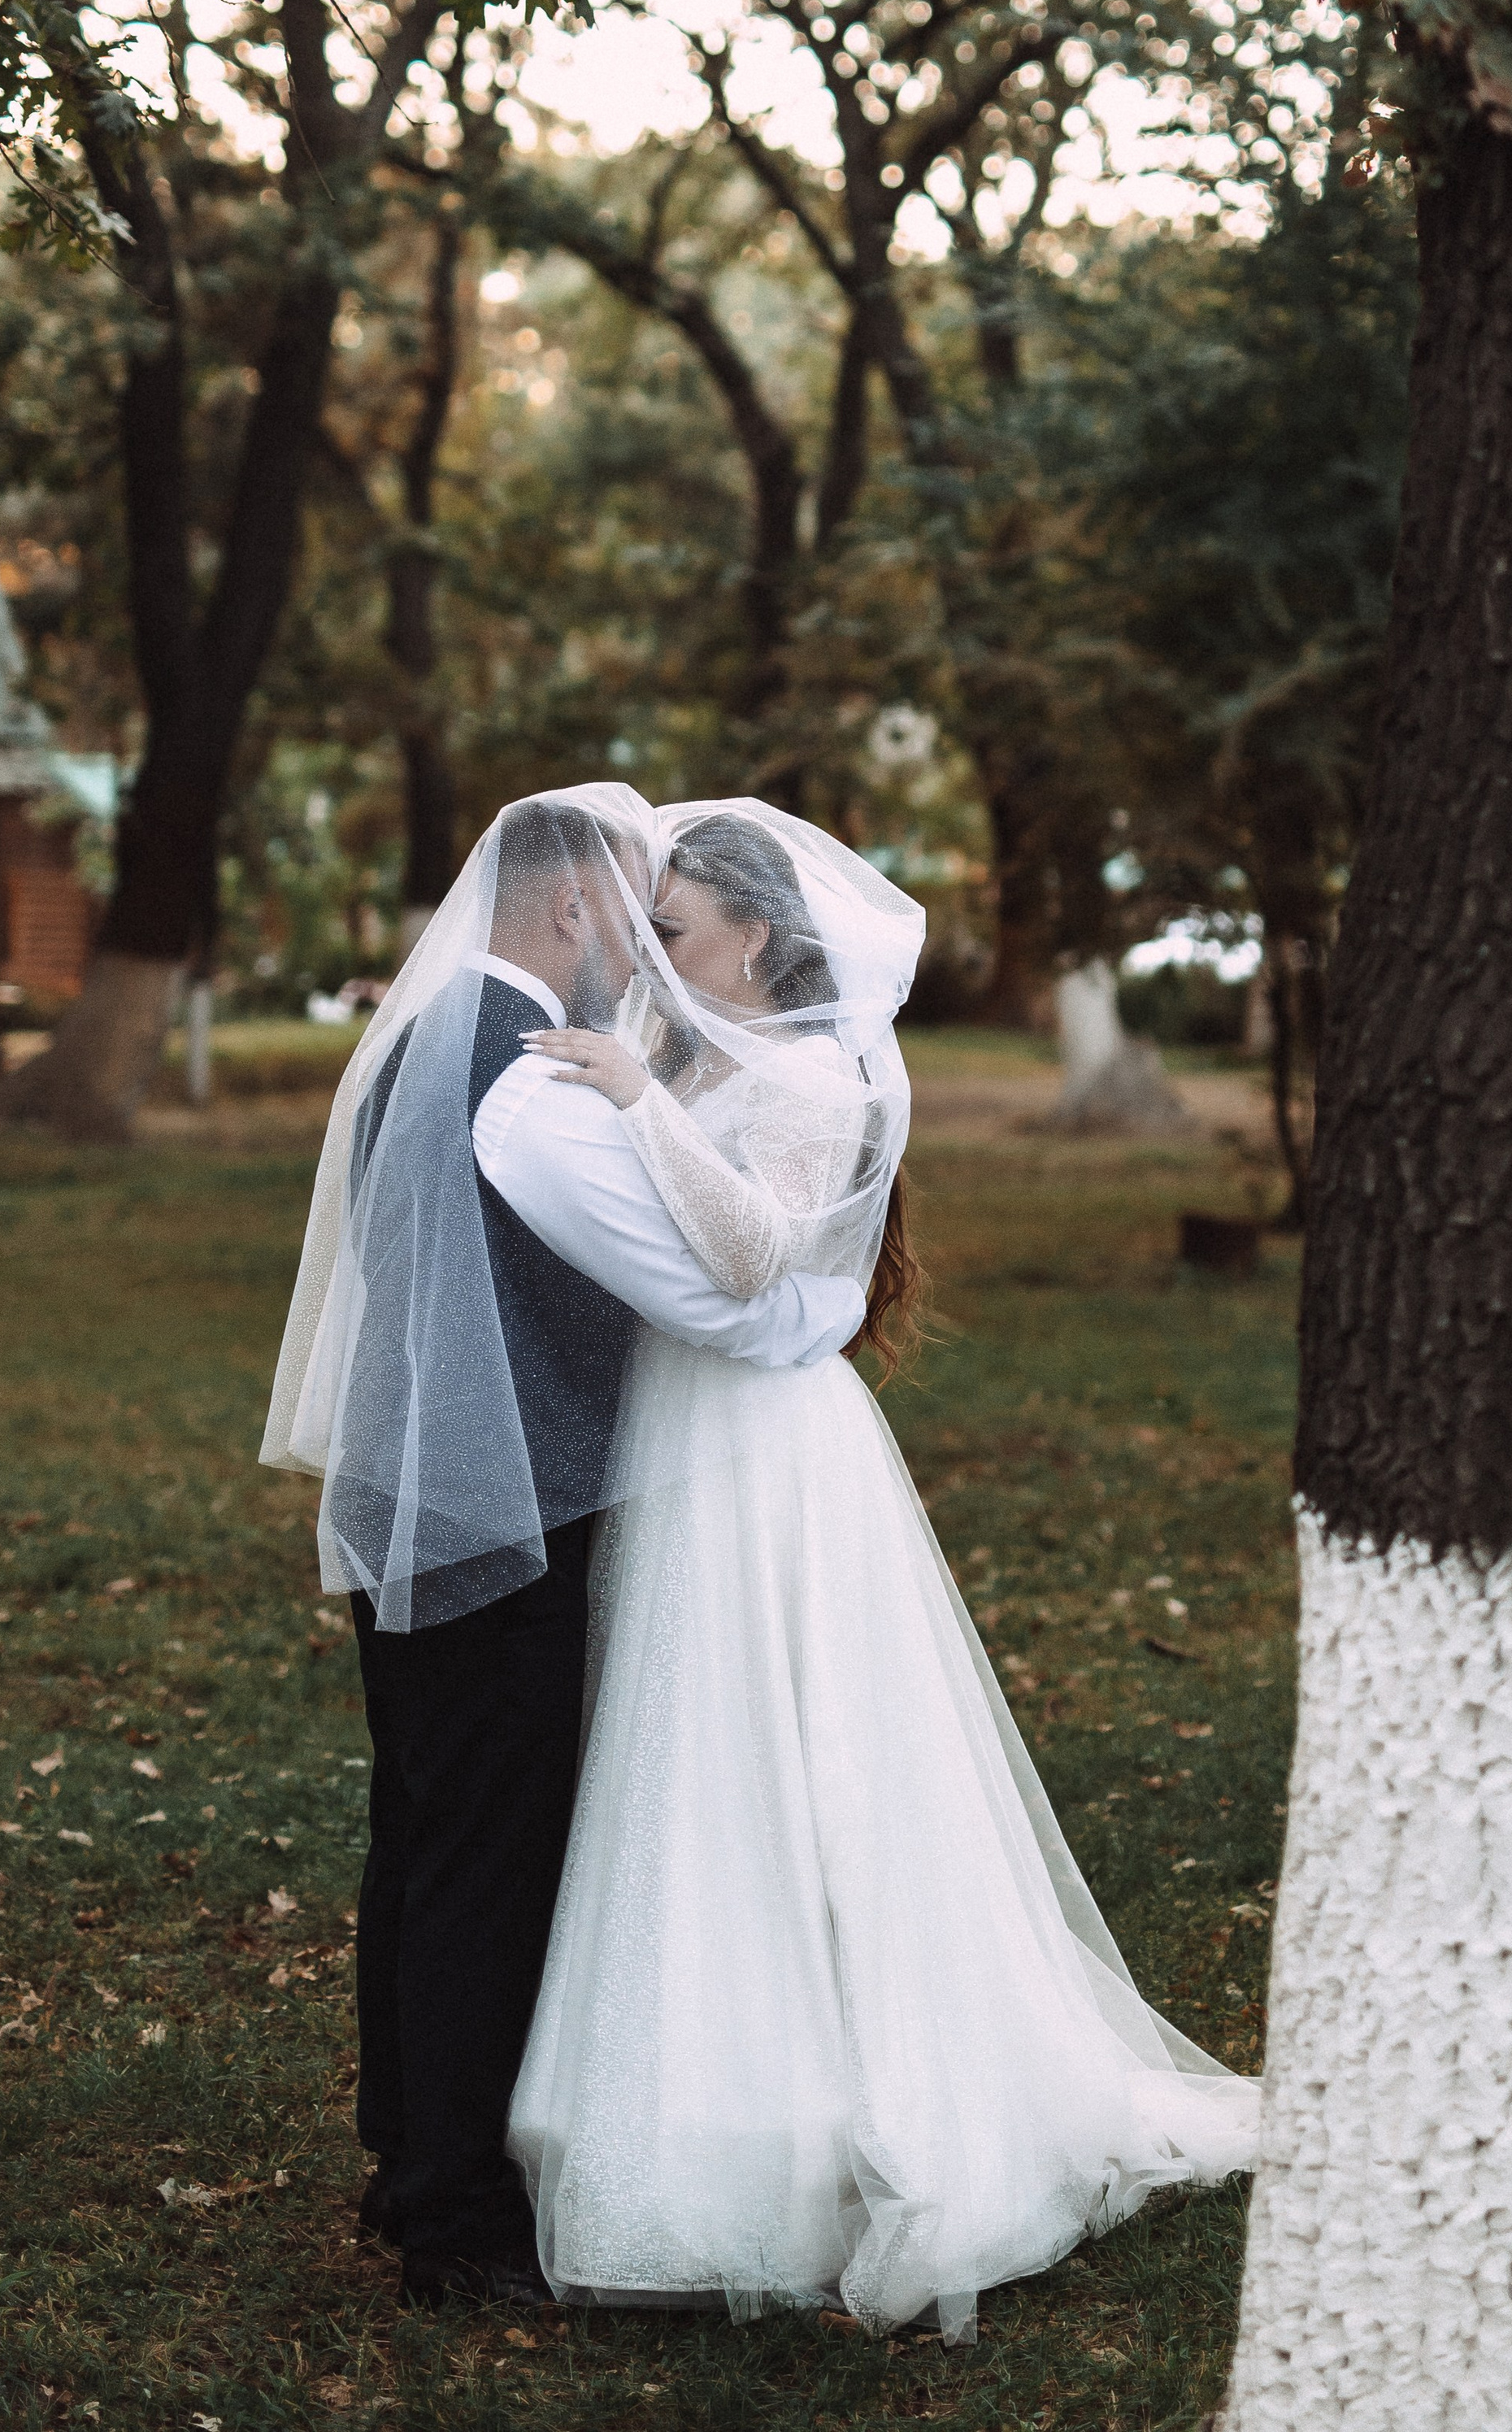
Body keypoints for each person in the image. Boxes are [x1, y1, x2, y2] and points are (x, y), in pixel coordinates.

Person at [505, 800, 1261, 2343]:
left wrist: (643, 1100)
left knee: (806, 1748)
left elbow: (753, 1254)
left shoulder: (810, 1073)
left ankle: (860, 2102)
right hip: (692, 1427)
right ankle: (703, 2094)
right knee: (699, 1758)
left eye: (684, 929)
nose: (659, 952)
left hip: (771, 1451)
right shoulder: (710, 1044)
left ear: (761, 941)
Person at [259, 787, 870, 2308]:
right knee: (486, 1851)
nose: (648, 958)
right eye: (639, 916)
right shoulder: (525, 1072)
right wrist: (801, 1316)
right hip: (504, 1509)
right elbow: (697, 1280)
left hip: (419, 1488)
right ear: (580, 906)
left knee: (420, 1830)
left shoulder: (431, 1030)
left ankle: (405, 2139)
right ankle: (456, 2222)